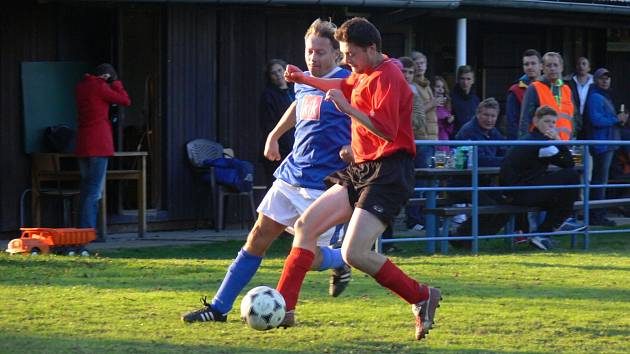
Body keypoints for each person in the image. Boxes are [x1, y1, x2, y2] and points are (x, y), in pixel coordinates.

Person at [277, 17, 441, 341]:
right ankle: (284, 309)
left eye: (350, 54)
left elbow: (387, 130)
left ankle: (421, 295)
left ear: (372, 49)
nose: (345, 60)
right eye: (343, 53)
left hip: (389, 173)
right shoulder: (361, 73)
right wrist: (304, 77)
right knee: (306, 226)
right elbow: (340, 86)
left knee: (355, 253)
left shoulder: (390, 76)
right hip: (363, 169)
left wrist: (347, 109)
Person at [180, 18, 354, 324]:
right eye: (309, 51)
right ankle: (219, 308)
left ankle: (343, 258)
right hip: (291, 176)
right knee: (257, 236)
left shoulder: (349, 85)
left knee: (309, 258)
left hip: (325, 186)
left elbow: (370, 124)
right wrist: (274, 135)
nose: (313, 57)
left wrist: (355, 150)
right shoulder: (302, 80)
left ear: (337, 55)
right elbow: (297, 107)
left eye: (321, 52)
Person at [501, 106, 585, 248]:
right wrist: (559, 141)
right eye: (547, 122)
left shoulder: (533, 139)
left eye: (553, 123)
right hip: (520, 193)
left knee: (560, 194)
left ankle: (545, 232)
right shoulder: (541, 143)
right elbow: (569, 164)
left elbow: (564, 162)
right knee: (571, 177)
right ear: (535, 121)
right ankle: (555, 225)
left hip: (516, 191)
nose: (551, 126)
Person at [75, 63, 131, 237]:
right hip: (99, 142)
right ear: (106, 76)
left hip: (83, 143)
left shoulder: (81, 86)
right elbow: (125, 100)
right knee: (94, 190)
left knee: (85, 189)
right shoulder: (100, 87)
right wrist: (116, 83)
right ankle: (88, 231)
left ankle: (82, 230)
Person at [584, 68, 629, 226]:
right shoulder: (596, 96)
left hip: (607, 143)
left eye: (607, 78)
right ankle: (596, 215)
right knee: (600, 180)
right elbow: (596, 120)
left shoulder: (602, 95)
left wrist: (617, 119)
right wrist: (616, 119)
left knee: (600, 180)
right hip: (602, 144)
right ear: (596, 80)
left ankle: (597, 213)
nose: (605, 81)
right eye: (602, 78)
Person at [398, 56, 432, 232]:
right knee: (405, 183)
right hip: (401, 143)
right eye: (404, 71)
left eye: (410, 72)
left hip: (420, 140)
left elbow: (419, 120)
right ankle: (411, 220)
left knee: (423, 183)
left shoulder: (415, 91)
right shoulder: (394, 89)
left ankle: (418, 218)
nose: (408, 75)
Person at [519, 52, 578, 141]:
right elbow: (525, 120)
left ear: (561, 67)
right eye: (549, 65)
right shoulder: (534, 88)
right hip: (541, 143)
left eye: (555, 65)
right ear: (542, 67)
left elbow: (573, 117)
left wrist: (572, 138)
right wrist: (523, 145)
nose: (552, 68)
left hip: (564, 144)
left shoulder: (567, 89)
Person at [260, 59, 296, 188]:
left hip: (296, 145)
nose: (278, 75)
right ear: (270, 77)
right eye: (273, 73)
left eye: (280, 70)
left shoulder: (295, 90)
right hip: (280, 147)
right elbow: (268, 123)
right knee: (278, 185)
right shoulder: (268, 95)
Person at [505, 49, 542, 140]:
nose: (530, 67)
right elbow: (511, 123)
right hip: (525, 141)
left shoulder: (550, 88)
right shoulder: (515, 90)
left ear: (541, 66)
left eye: (533, 63)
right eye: (526, 64)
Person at [451, 65, 480, 134]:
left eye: (468, 79)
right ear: (458, 80)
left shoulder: (476, 100)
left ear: (473, 80)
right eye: (462, 79)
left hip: (472, 137)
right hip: (456, 138)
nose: (465, 82)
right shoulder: (451, 98)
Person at [566, 56, 594, 122]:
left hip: (590, 118)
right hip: (573, 118)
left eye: (584, 64)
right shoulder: (568, 82)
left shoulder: (595, 83)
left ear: (589, 68)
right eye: (579, 64)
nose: (581, 66)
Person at [433, 75, 455, 148]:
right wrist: (445, 122)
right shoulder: (430, 106)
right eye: (437, 86)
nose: (440, 90)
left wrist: (449, 122)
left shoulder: (446, 107)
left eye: (442, 87)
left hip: (445, 143)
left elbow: (450, 130)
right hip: (433, 143)